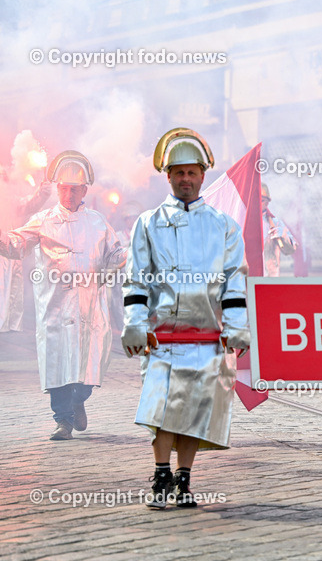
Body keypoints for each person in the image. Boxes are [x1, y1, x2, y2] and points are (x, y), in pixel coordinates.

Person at [122, 128, 250, 509]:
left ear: (203, 175)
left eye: (192, 172)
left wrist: (238, 326)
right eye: (178, 173)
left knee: (193, 408)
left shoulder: (223, 225)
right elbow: (136, 277)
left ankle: (185, 479)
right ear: (168, 177)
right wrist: (134, 322)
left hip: (207, 337)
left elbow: (234, 280)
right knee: (161, 405)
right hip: (162, 337)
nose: (186, 180)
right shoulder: (147, 223)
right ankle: (161, 473)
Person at [0, 152, 126, 441]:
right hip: (54, 307)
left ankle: (79, 399)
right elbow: (16, 244)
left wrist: (133, 253)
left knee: (89, 365)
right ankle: (63, 421)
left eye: (74, 189)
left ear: (84, 190)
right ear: (57, 189)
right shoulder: (42, 220)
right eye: (64, 188)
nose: (68, 194)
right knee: (56, 362)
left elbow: (116, 254)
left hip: (89, 307)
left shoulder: (97, 222)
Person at [0, 179, 51, 333]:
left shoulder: (10, 200)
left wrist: (42, 192)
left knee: (14, 288)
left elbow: (30, 203)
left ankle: (11, 326)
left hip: (12, 248)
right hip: (2, 250)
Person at [261, 183, 297, 277]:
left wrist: (283, 236)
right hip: (246, 278)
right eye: (254, 199)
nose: (257, 203)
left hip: (269, 278)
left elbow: (291, 249)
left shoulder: (275, 223)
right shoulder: (242, 221)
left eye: (261, 200)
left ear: (267, 202)